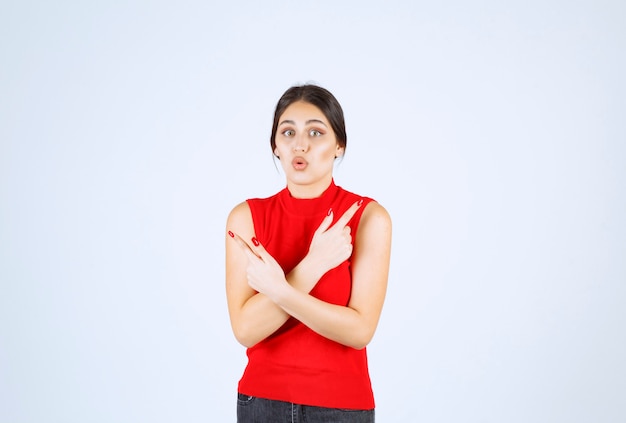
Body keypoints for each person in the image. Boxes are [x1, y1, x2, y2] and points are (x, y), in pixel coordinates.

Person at [225, 83, 392, 423]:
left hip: (342, 406)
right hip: (261, 402)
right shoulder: (246, 218)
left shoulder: (368, 218)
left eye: (315, 132)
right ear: (275, 146)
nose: (300, 144)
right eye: (288, 132)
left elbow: (360, 331)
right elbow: (245, 329)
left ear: (338, 145)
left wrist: (278, 289)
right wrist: (312, 267)